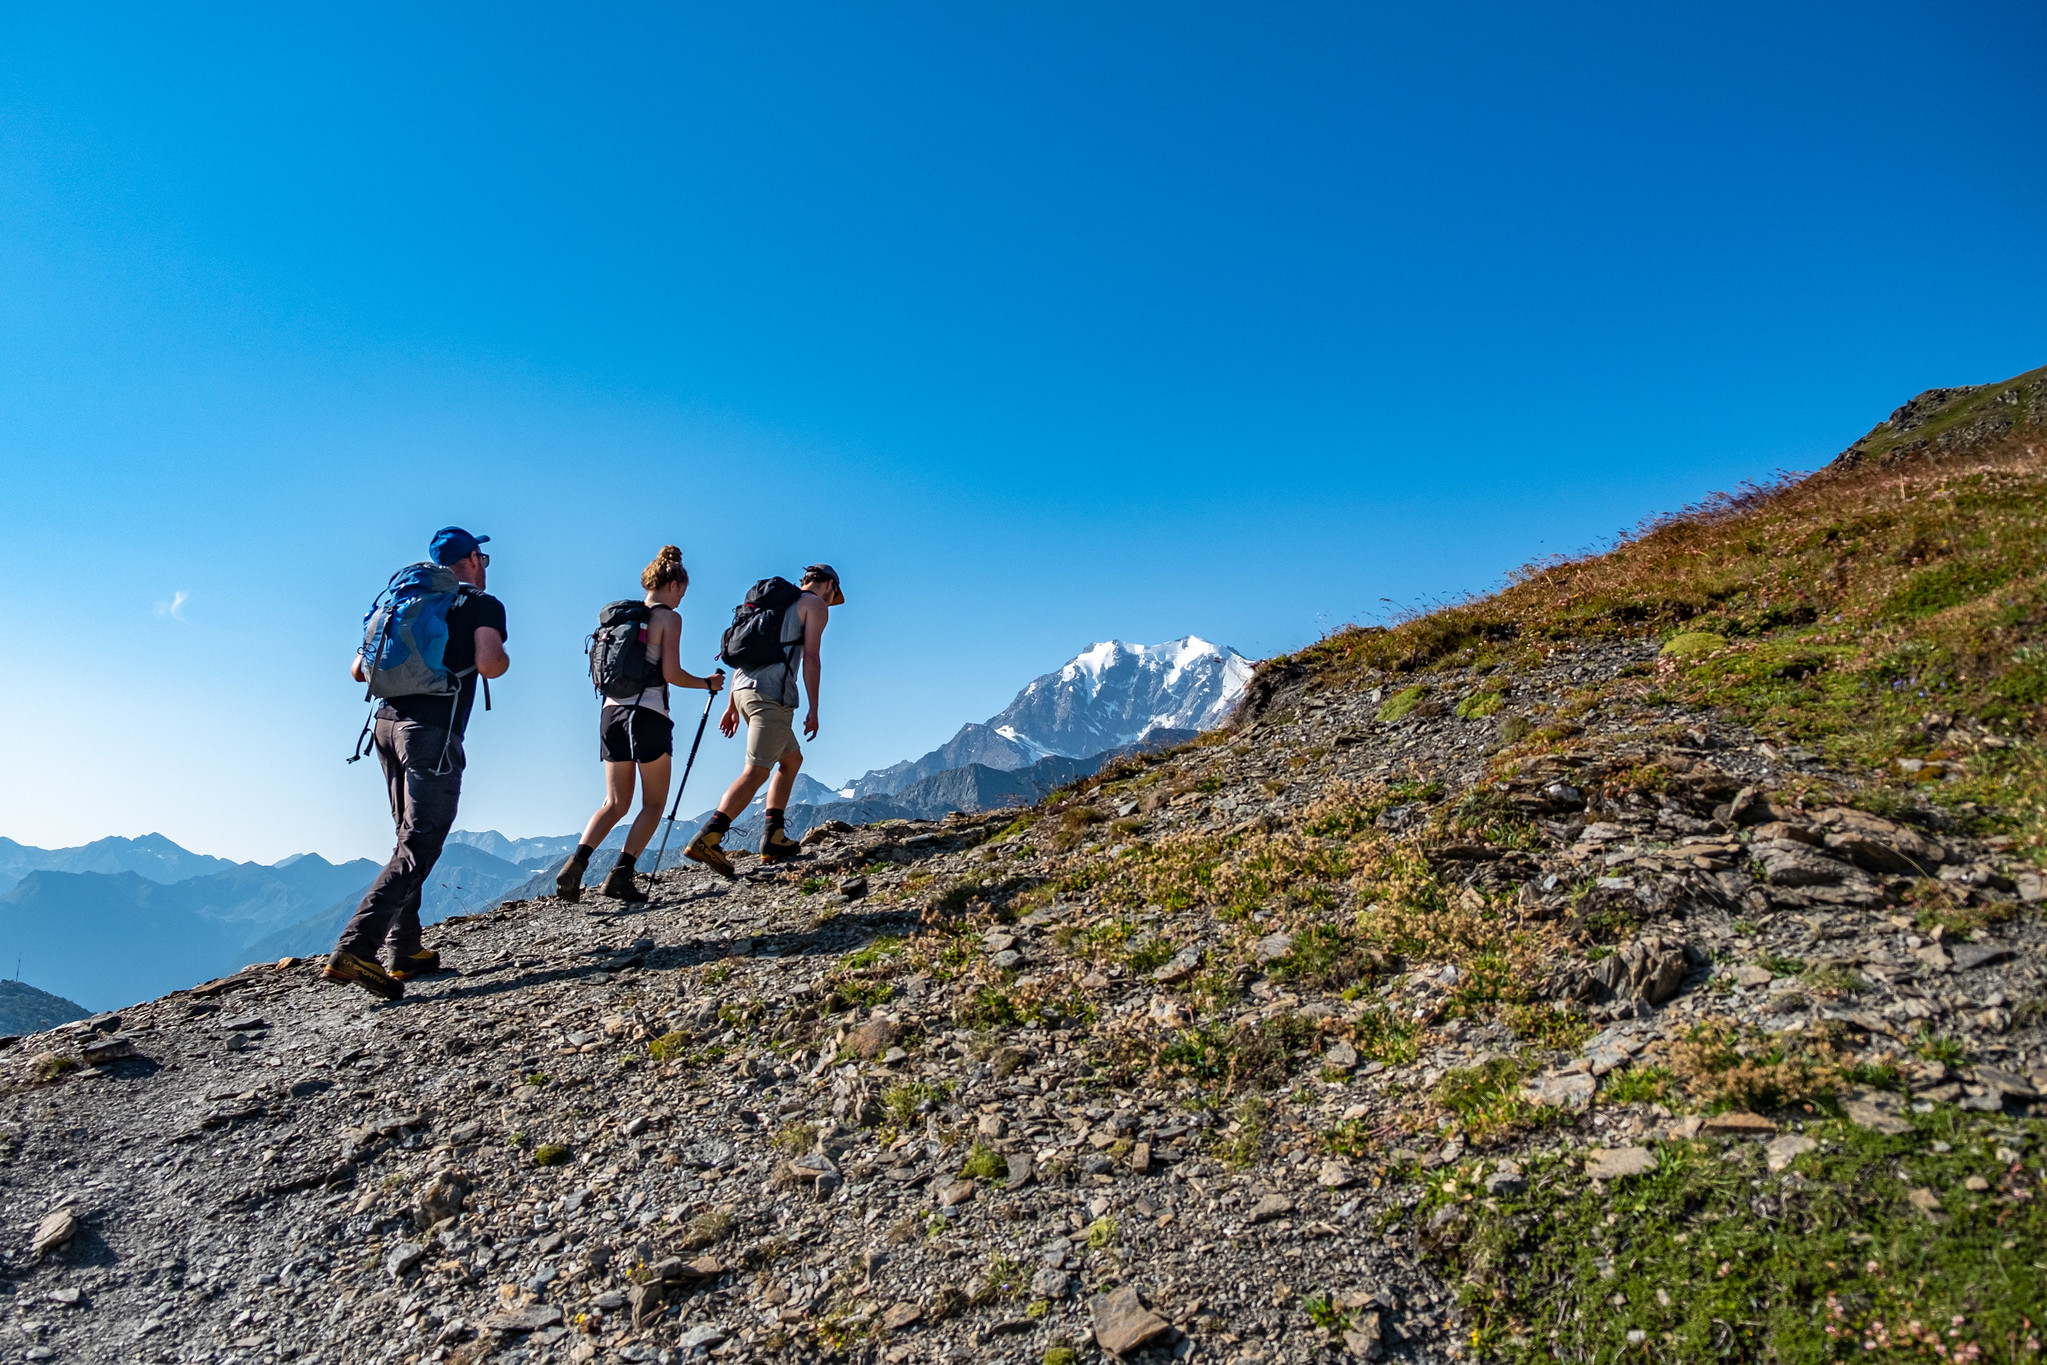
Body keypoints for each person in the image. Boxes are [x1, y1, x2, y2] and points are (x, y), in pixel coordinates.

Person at [324, 527, 509, 1001]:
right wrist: (496, 655)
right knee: (421, 843)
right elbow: (489, 665)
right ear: (471, 559)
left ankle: (404, 949)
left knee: (406, 837)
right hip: (431, 733)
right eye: (482, 556)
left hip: (385, 726)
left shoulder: (403, 599)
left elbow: (357, 670)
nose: (484, 564)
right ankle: (356, 947)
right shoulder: (480, 604)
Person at [554, 546, 725, 904]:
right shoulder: (668, 619)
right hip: (648, 716)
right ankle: (620, 876)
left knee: (615, 802)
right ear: (674, 584)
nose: (682, 599)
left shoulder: (619, 620)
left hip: (610, 715)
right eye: (683, 591)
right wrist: (706, 683)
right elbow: (672, 674)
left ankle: (575, 864)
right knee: (653, 803)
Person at [683, 564, 843, 877]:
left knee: (791, 760)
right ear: (829, 584)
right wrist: (814, 707)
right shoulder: (815, 606)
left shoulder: (773, 604)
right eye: (834, 593)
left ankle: (774, 836)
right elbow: (811, 657)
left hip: (744, 691)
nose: (832, 598)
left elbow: (744, 657)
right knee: (756, 770)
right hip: (771, 696)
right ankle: (708, 837)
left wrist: (731, 706)